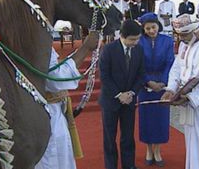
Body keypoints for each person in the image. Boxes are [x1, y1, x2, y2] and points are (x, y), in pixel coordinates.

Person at [161, 14, 199, 169]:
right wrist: (170, 89)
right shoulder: (184, 45)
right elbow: (176, 69)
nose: (181, 37)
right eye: (179, 34)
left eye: (184, 34)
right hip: (187, 96)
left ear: (196, 30)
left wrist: (190, 97)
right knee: (191, 138)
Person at [35, 31, 101, 169]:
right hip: (44, 113)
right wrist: (85, 49)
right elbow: (55, 79)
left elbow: (56, 68)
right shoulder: (34, 39)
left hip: (49, 111)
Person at [98, 19, 145, 169]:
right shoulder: (108, 49)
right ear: (123, 36)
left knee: (128, 137)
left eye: (138, 39)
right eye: (133, 39)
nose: (135, 42)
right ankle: (111, 166)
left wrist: (131, 93)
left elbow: (141, 75)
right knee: (109, 137)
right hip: (111, 101)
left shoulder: (139, 50)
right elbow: (104, 76)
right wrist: (119, 94)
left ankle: (129, 165)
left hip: (129, 101)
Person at [137, 12, 175, 167]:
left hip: (162, 85)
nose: (151, 31)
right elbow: (137, 65)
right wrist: (148, 82)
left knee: (160, 119)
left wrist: (163, 82)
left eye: (153, 27)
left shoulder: (167, 41)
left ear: (158, 26)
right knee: (146, 119)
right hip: (145, 85)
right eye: (147, 28)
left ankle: (157, 150)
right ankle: (148, 150)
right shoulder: (138, 42)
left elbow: (170, 63)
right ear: (143, 29)